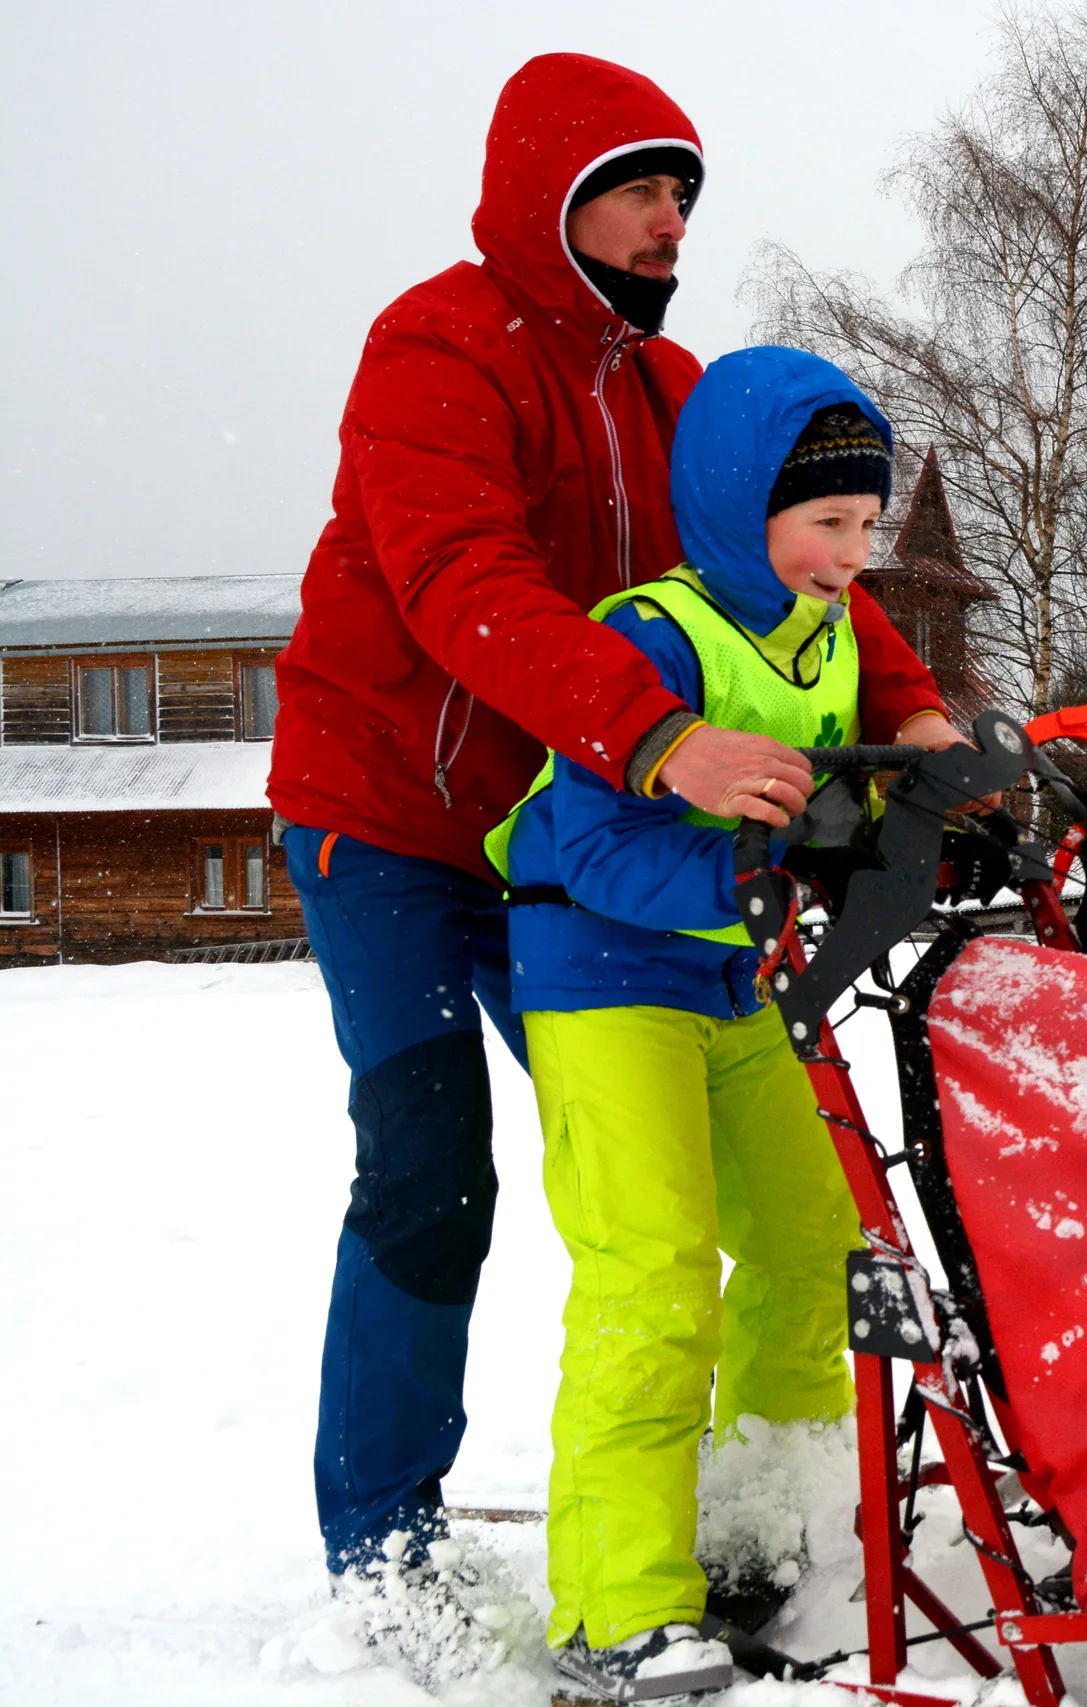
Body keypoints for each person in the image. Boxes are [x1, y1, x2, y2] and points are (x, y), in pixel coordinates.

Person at [267, 54, 876, 1587]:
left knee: (749, 1186)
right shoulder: (437, 348)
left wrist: (924, 717)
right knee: (433, 1171)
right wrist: (665, 734)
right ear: (552, 196)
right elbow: (464, 581)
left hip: (580, 844)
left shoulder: (673, 393)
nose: (673, 220)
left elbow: (791, 558)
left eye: (684, 193)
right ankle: (383, 1547)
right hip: (397, 826)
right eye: (641, 188)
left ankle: (747, 1508)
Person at [483, 345, 965, 1701]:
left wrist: (925, 795)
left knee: (815, 1243)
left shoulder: (828, 639)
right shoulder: (654, 634)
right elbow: (595, 846)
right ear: (739, 506)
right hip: (602, 973)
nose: (852, 555)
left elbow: (835, 789)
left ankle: (758, 1525)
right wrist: (761, 874)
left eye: (866, 525)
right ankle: (616, 1604)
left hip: (738, 977)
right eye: (827, 523)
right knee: (653, 1277)